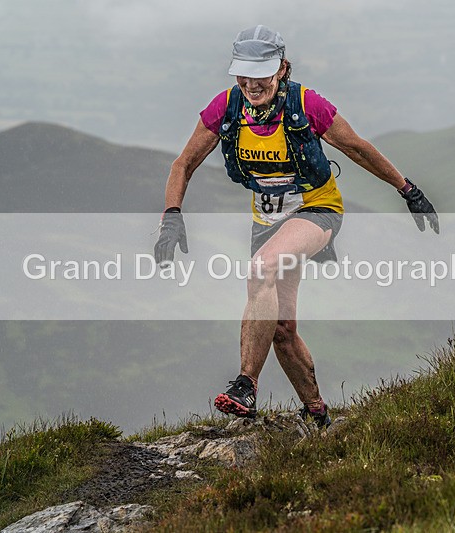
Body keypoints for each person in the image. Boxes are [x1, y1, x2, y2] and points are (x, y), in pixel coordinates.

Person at [154, 25, 438, 429]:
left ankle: (245, 386)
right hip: (265, 219)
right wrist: (172, 215)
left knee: (261, 268)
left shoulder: (307, 104)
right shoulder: (227, 107)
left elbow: (357, 148)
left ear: (282, 69)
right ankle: (318, 414)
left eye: (262, 74)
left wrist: (407, 190)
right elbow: (183, 164)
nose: (252, 84)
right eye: (244, 75)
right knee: (282, 330)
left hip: (317, 209)